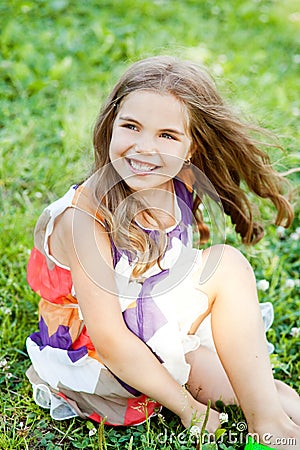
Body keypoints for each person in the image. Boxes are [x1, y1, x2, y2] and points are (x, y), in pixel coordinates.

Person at [26, 56, 300, 450]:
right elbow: (111, 340)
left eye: (167, 135)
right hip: (105, 361)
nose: (145, 148)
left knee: (267, 393)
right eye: (131, 127)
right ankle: (268, 428)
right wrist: (189, 408)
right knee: (226, 266)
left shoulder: (180, 180)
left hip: (154, 327)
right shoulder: (82, 220)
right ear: (110, 126)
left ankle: (273, 425)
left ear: (191, 148)